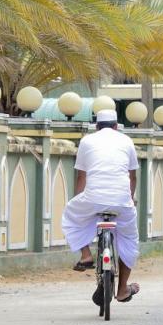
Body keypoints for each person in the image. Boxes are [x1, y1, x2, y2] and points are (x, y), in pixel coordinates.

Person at [62, 109, 140, 303]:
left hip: (93, 197)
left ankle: (86, 255)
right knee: (129, 240)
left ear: (96, 126)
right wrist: (130, 198)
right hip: (122, 200)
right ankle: (122, 289)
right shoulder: (126, 141)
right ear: (116, 126)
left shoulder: (87, 141)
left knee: (71, 216)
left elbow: (82, 176)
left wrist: (81, 201)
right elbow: (132, 176)